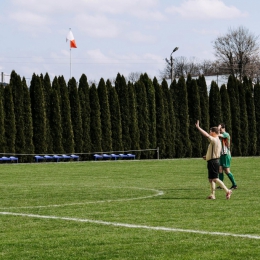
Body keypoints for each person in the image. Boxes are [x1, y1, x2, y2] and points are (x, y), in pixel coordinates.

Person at [195, 120, 232, 200]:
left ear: (214, 133)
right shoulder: (217, 140)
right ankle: (212, 195)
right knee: (211, 179)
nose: (209, 133)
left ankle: (227, 191)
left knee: (215, 179)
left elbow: (206, 135)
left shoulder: (214, 140)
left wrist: (198, 128)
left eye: (210, 131)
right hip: (213, 161)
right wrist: (207, 156)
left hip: (213, 162)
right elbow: (214, 152)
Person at [217, 123, 237, 189]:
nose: (219, 130)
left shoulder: (226, 134)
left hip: (226, 155)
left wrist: (218, 127)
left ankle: (234, 184)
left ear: (223, 128)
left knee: (227, 171)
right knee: (220, 169)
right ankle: (221, 185)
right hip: (221, 155)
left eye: (220, 129)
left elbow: (218, 134)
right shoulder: (220, 135)